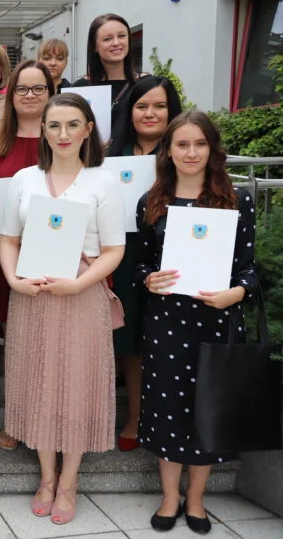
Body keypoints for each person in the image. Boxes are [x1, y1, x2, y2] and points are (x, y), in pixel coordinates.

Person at [0, 93, 125, 525]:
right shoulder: (24, 179)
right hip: (31, 293)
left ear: (88, 129)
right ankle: (46, 477)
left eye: (73, 124)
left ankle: (69, 481)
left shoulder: (102, 181)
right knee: (37, 379)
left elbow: (114, 250)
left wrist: (79, 284)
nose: (63, 133)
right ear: (44, 131)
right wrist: (13, 279)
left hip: (81, 293)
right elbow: (9, 240)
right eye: (54, 125)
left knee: (77, 382)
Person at [136, 110, 256, 534]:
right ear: (168, 151)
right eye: (182, 144)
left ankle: (197, 499)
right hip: (167, 323)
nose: (191, 152)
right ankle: (170, 497)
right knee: (168, 408)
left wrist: (236, 293)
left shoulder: (237, 200)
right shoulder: (152, 201)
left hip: (217, 321)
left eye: (199, 144)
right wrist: (148, 279)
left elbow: (250, 269)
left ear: (212, 149)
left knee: (208, 410)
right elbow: (140, 264)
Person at [0, 61, 54, 452]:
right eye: (22, 89)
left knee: (47, 345)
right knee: (18, 345)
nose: (30, 96)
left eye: (38, 88)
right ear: (11, 95)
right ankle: (16, 419)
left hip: (54, 257)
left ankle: (46, 420)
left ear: (51, 93)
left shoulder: (61, 138)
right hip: (4, 256)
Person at [107, 76, 183, 452]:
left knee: (167, 338)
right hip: (123, 255)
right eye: (142, 106)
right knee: (131, 338)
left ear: (172, 111)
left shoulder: (183, 150)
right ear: (129, 111)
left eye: (159, 106)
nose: (150, 113)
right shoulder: (112, 153)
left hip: (172, 254)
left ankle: (169, 418)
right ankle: (135, 417)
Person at [71, 13, 143, 133]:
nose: (116, 43)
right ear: (94, 46)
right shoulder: (80, 87)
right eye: (107, 39)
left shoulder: (144, 84)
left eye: (121, 36)